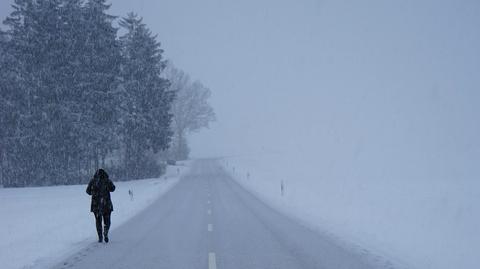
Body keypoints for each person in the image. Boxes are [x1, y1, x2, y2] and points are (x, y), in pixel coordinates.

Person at [86, 169, 116, 243]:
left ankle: (100, 237)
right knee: (107, 220)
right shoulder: (107, 180)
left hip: (96, 205)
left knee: (98, 221)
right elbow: (113, 189)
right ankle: (106, 231)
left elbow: (87, 191)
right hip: (106, 204)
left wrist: (94, 193)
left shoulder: (93, 181)